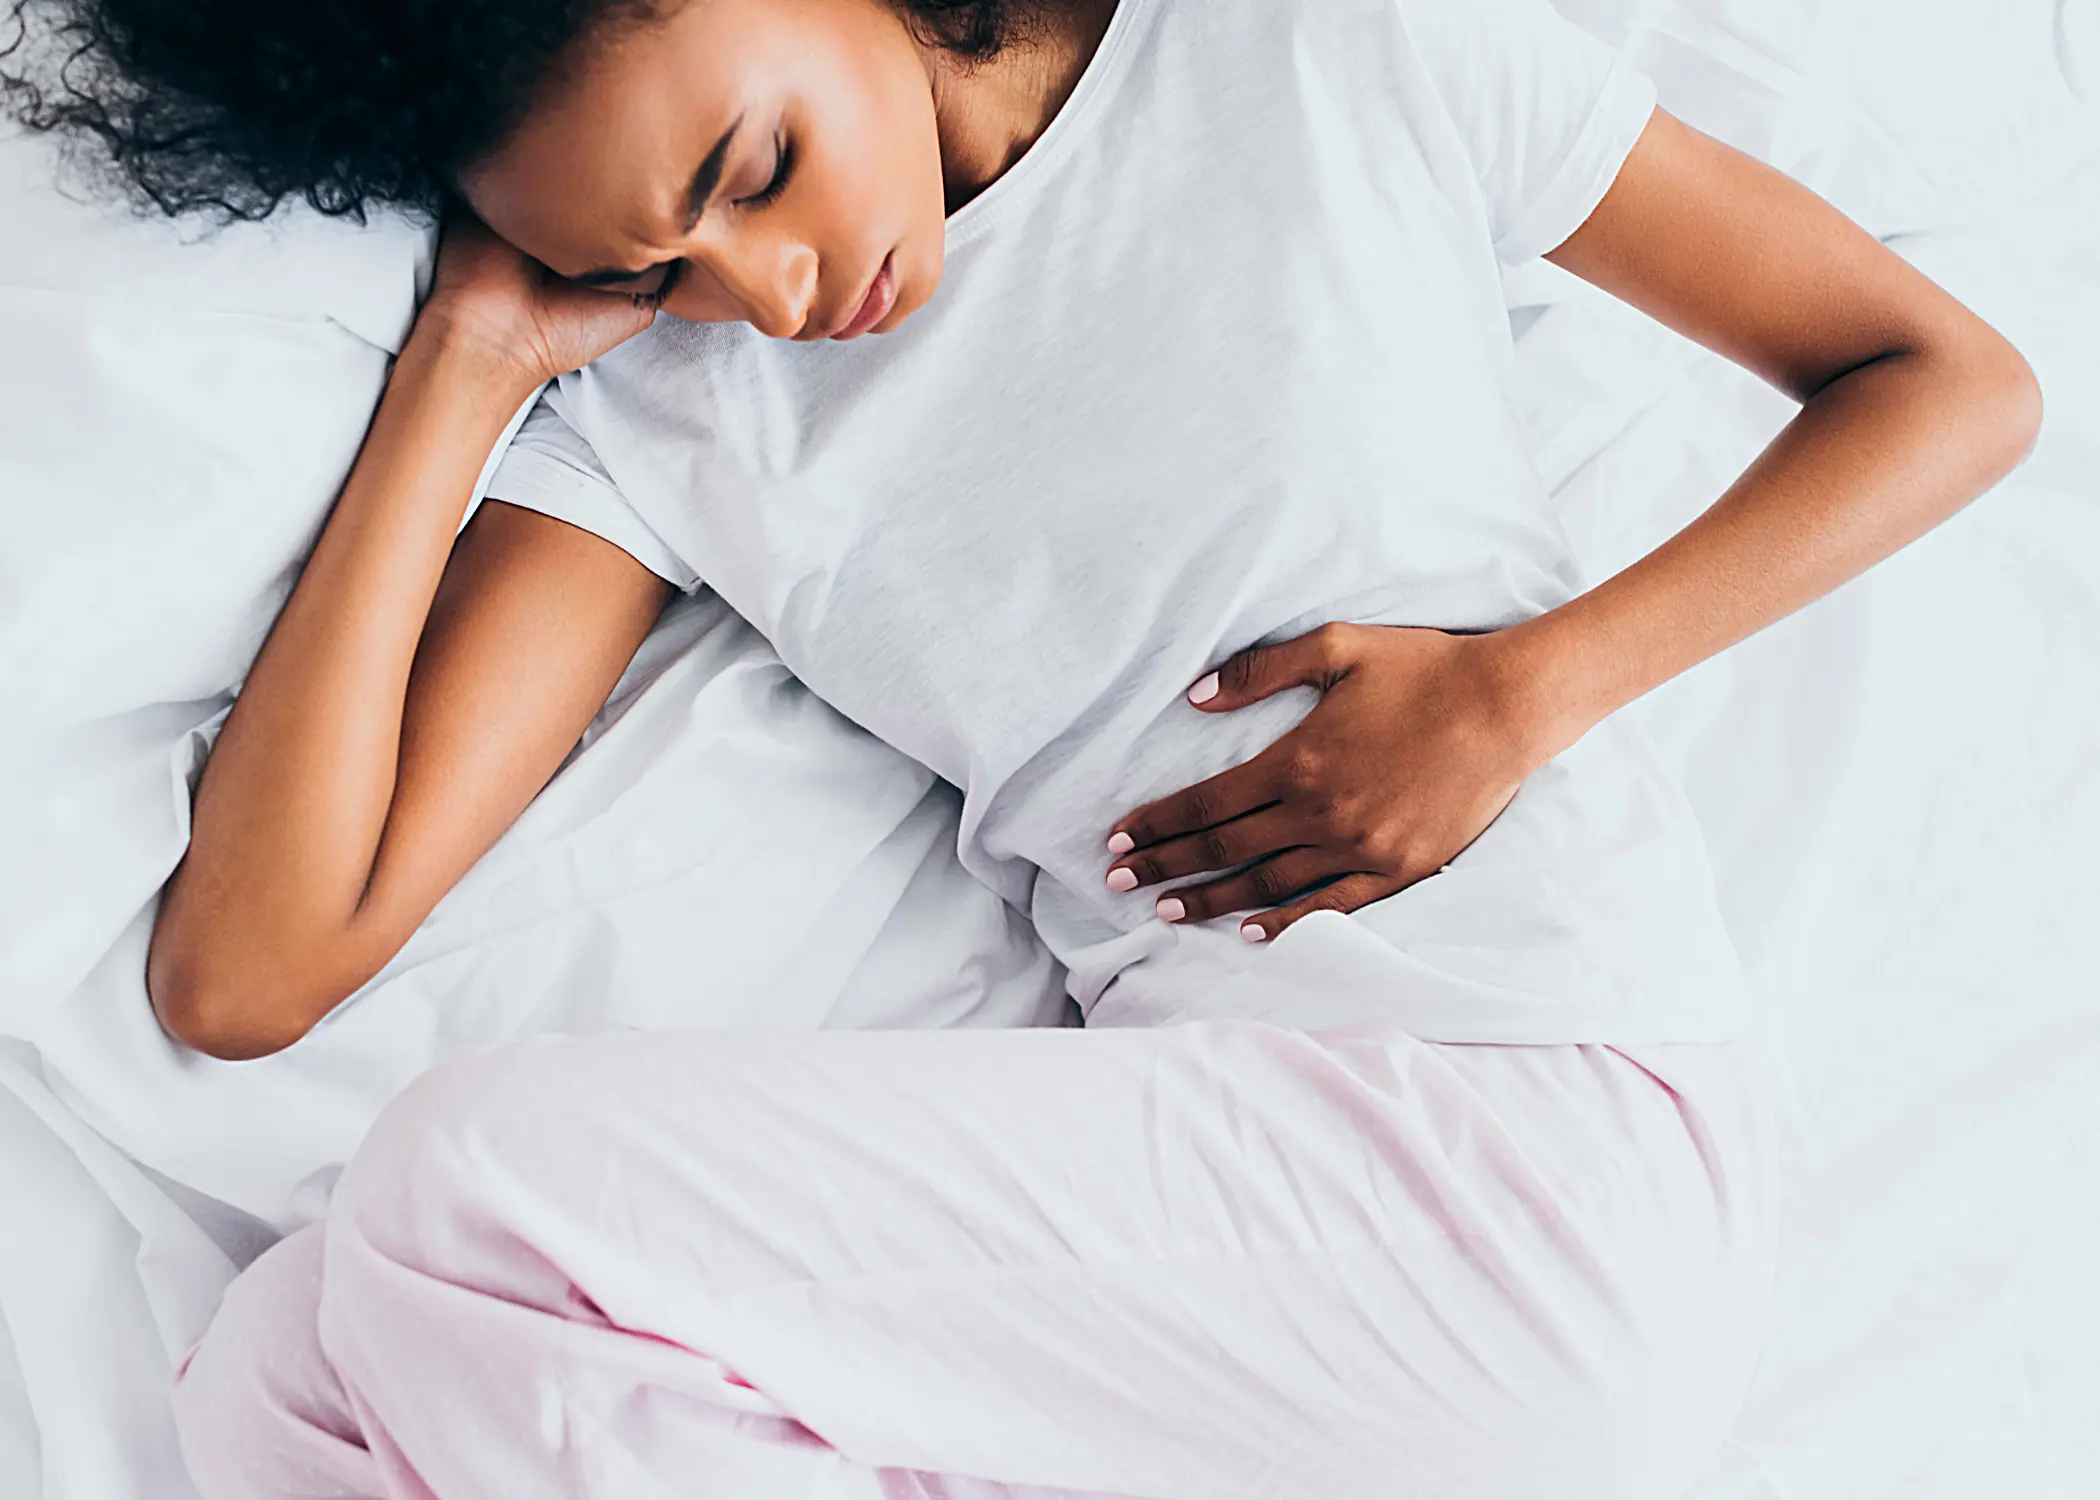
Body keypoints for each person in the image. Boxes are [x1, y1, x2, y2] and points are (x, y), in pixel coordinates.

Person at [6, 0, 2041, 1494]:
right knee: (283, 1377)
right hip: (1209, 1270)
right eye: (648, 266)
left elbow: (1944, 379)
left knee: (469, 1194)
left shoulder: (1313, 58)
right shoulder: (676, 399)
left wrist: (1527, 692)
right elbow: (249, 971)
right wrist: (469, 360)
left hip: (1530, 1148)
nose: (765, 291)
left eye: (748, 171)